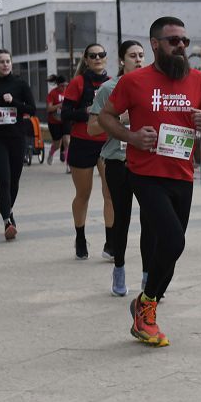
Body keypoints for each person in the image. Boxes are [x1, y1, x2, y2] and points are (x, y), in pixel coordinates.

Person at [99, 16, 201, 347]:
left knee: (172, 243)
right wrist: (131, 136)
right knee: (173, 240)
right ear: (155, 45)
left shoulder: (198, 80)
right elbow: (105, 117)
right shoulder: (134, 81)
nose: (181, 46)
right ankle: (147, 305)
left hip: (182, 175)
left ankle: (146, 303)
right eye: (173, 41)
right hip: (144, 172)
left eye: (184, 40)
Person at [88, 40, 155, 297]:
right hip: (116, 161)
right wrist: (121, 119)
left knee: (149, 220)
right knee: (122, 219)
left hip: (146, 161)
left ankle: (148, 276)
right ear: (121, 60)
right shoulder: (108, 89)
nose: (138, 59)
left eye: (141, 55)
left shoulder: (151, 86)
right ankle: (119, 269)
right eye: (132, 55)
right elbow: (93, 128)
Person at [0, 49, 37, 240]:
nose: (5, 64)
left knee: (14, 180)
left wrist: (15, 102)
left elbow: (32, 109)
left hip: (17, 137)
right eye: (1, 62)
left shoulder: (20, 84)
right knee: (3, 180)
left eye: (8, 61)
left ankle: (8, 210)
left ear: (11, 63)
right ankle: (7, 222)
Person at [61, 44, 113, 260]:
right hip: (82, 143)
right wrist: (89, 114)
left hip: (107, 143)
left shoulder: (113, 84)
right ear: (87, 59)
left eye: (101, 55)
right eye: (93, 56)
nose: (98, 58)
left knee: (110, 194)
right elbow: (65, 113)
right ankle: (80, 236)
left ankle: (111, 242)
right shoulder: (78, 82)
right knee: (83, 194)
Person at [45, 75, 70, 169]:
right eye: (62, 86)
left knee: (67, 141)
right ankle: (51, 153)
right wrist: (59, 105)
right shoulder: (52, 93)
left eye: (66, 85)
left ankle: (68, 164)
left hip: (66, 120)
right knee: (57, 145)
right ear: (57, 85)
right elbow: (48, 108)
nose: (64, 88)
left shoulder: (69, 92)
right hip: (54, 121)